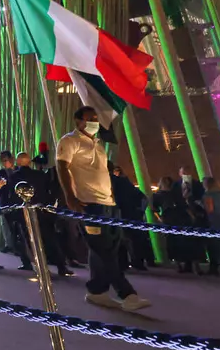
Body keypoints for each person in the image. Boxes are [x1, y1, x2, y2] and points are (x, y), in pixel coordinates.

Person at [56, 106, 151, 312]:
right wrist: (70, 197)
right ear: (77, 121)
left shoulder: (98, 143)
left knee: (108, 248)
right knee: (103, 249)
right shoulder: (69, 141)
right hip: (89, 203)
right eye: (90, 119)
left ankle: (97, 291)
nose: (94, 123)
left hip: (108, 203)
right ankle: (127, 293)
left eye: (96, 119)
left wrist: (113, 194)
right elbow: (62, 167)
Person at [108, 163, 152, 272]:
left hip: (116, 214)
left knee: (118, 240)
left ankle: (122, 264)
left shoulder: (109, 181)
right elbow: (142, 197)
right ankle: (137, 262)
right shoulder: (125, 182)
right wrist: (140, 211)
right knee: (134, 239)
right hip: (131, 215)